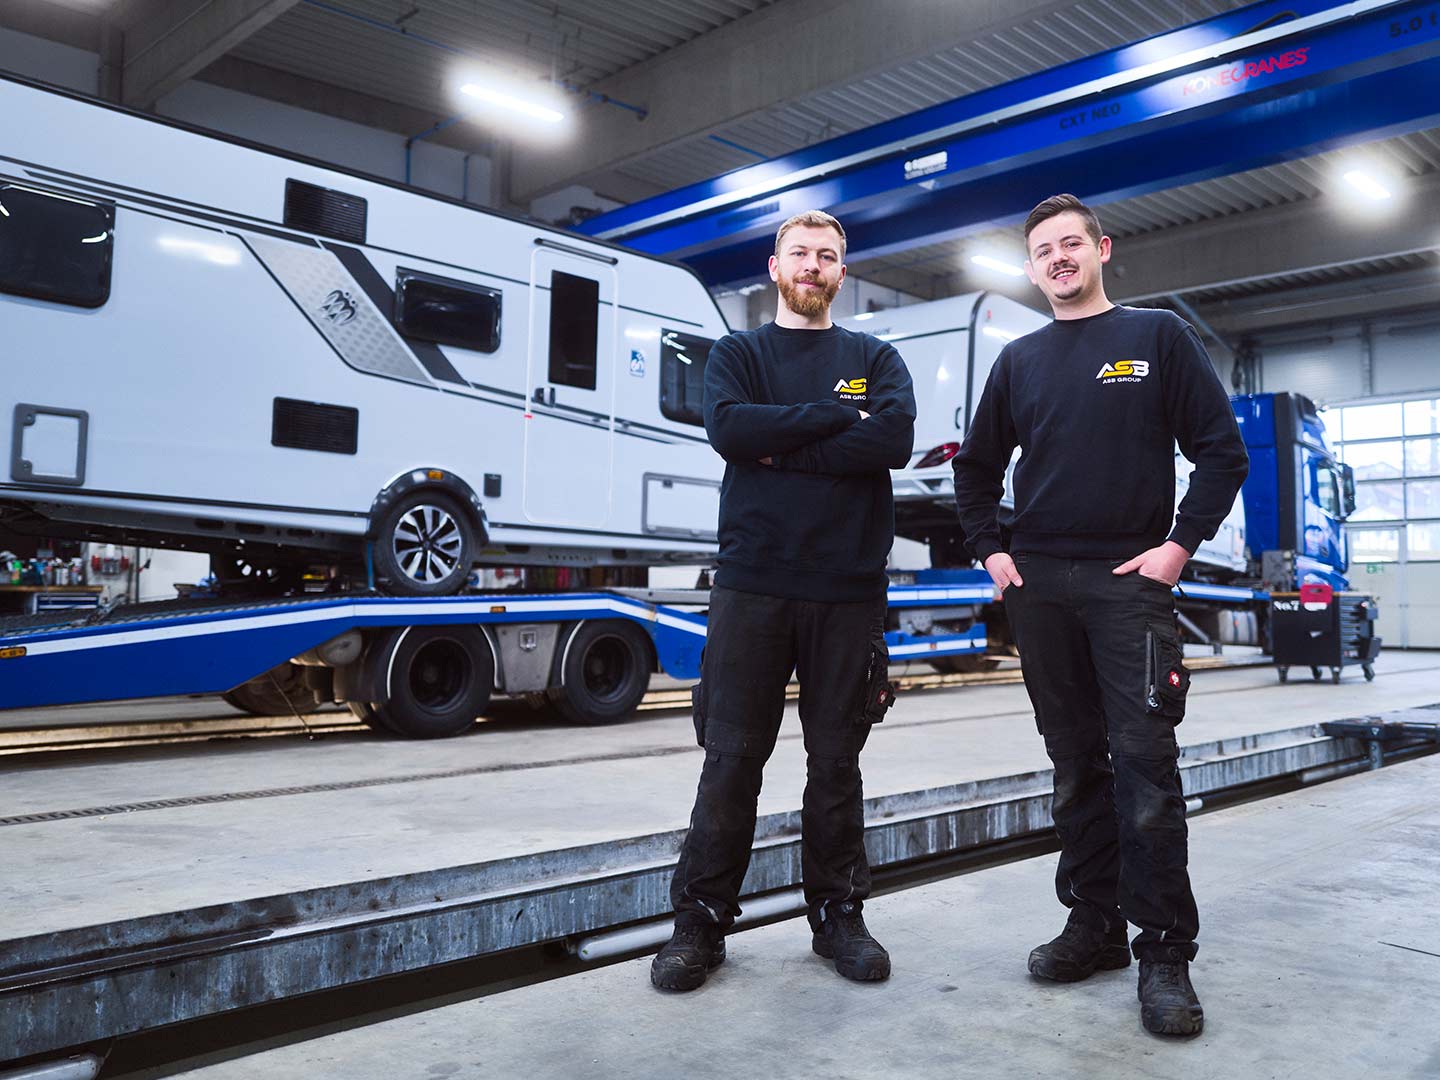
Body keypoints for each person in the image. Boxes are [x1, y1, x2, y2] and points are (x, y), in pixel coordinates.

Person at [951, 194, 1248, 1036]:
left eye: (1070, 243)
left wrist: (1177, 548)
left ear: (1102, 249)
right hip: (1040, 588)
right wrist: (992, 552)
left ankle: (1164, 953)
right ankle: (1094, 925)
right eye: (1042, 249)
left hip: (1130, 584)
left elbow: (1221, 454)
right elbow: (975, 467)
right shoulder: (1021, 360)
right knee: (1076, 762)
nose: (1057, 258)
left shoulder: (1156, 338)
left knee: (1146, 766)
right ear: (1032, 266)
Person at [650, 210, 916, 992]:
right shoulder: (739, 353)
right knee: (731, 758)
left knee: (837, 762)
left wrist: (782, 445)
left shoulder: (875, 355)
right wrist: (837, 417)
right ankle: (699, 924)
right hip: (753, 585)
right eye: (800, 253)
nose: (813, 265)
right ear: (775, 266)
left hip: (846, 591)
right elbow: (729, 430)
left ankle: (839, 917)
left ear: (842, 271)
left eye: (827, 256)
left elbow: (893, 441)